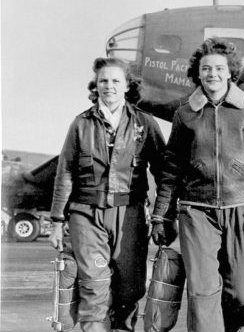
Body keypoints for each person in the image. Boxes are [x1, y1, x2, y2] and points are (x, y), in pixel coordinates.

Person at [150, 37, 244, 332]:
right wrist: (161, 216)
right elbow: (170, 170)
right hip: (197, 212)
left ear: (231, 72)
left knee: (243, 295)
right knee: (203, 291)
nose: (212, 74)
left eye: (219, 68)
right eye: (206, 68)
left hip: (243, 210)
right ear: (198, 73)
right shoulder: (185, 114)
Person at [48, 57, 166, 332]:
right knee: (94, 286)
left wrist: (163, 217)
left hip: (130, 215)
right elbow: (65, 172)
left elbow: (164, 174)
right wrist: (56, 221)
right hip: (86, 214)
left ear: (127, 86)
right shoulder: (81, 124)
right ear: (95, 85)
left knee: (130, 289)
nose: (109, 86)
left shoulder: (144, 124)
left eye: (116, 81)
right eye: (103, 81)